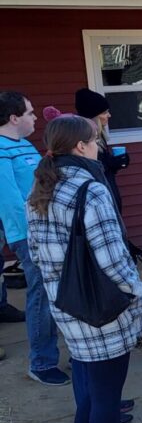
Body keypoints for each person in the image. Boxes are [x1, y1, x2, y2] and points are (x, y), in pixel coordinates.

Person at [26, 114, 142, 423]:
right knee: (106, 400)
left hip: (66, 305)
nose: (98, 146)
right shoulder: (90, 190)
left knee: (90, 398)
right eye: (95, 140)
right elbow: (114, 261)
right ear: (80, 147)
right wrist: (140, 296)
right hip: (100, 309)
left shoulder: (41, 187)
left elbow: (35, 253)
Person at [0, 91, 67, 386]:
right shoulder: (1, 151)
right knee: (40, 295)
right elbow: (11, 202)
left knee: (53, 292)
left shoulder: (24, 145)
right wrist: (30, 237)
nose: (35, 117)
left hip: (47, 229)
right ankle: (41, 362)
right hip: (30, 235)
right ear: (14, 118)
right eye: (29, 113)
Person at [74, 88, 130, 214]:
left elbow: (104, 167)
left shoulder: (100, 137)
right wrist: (109, 164)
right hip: (97, 200)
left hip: (109, 191)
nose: (109, 115)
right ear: (94, 116)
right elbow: (89, 170)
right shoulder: (82, 139)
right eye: (105, 112)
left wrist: (118, 163)